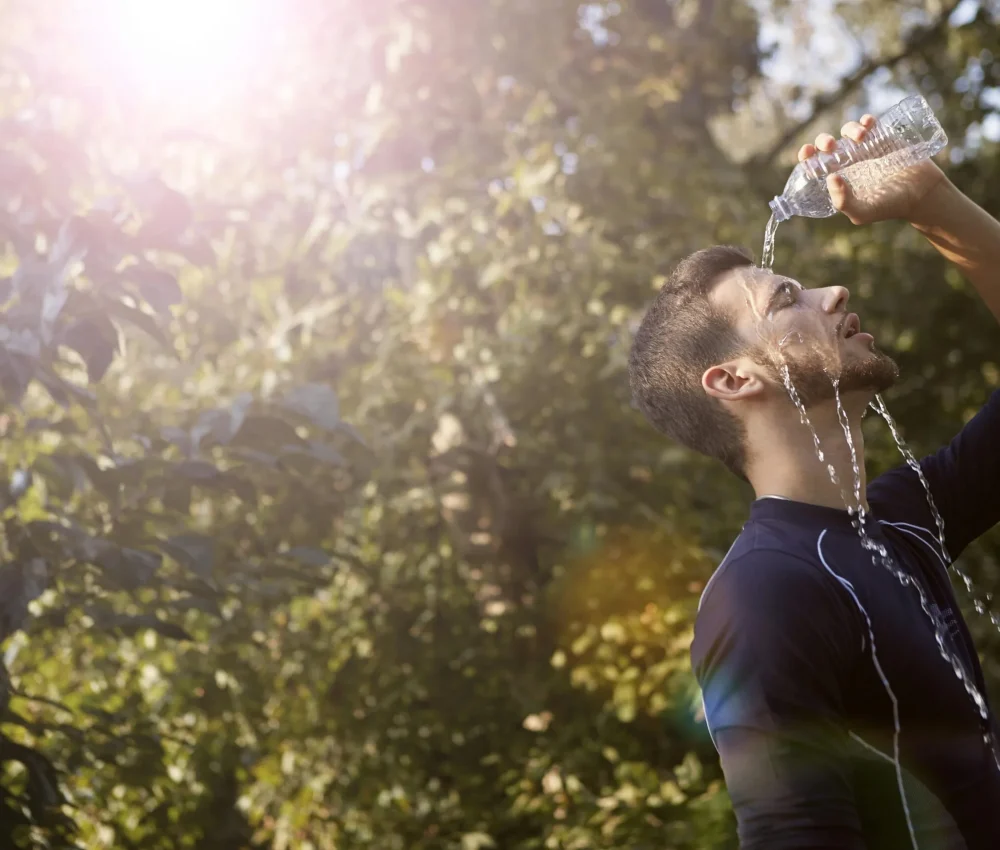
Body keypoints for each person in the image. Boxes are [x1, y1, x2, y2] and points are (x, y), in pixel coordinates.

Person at [628, 112, 1000, 849]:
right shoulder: (763, 593)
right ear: (733, 379)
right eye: (786, 299)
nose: (832, 293)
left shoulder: (903, 517)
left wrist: (931, 202)